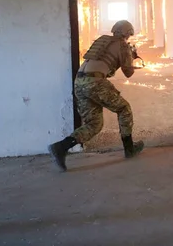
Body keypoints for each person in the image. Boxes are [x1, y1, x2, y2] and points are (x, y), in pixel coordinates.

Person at [48, 20, 144, 171]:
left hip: (80, 82)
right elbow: (128, 73)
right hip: (95, 82)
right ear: (127, 34)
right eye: (129, 36)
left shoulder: (102, 41)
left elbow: (105, 65)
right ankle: (129, 148)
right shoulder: (123, 45)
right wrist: (131, 56)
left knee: (94, 124)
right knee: (124, 109)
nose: (128, 39)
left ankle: (61, 147)